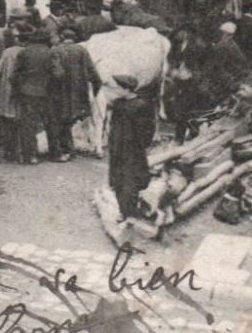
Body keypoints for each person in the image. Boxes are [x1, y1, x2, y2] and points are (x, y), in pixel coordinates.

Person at [9, 24, 62, 164]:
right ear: (46, 39)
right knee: (51, 123)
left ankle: (31, 156)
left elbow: (13, 76)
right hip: (47, 93)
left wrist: (19, 88)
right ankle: (55, 154)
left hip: (26, 93)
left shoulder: (24, 52)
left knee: (28, 125)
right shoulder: (51, 53)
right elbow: (58, 74)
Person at [106, 80, 157, 220]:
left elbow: (149, 127)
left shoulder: (141, 105)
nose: (116, 90)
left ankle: (131, 211)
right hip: (117, 148)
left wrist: (142, 144)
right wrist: (112, 142)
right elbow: (113, 125)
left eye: (119, 87)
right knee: (117, 181)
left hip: (133, 150)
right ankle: (123, 211)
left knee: (131, 181)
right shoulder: (118, 103)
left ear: (127, 89)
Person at [50, 25, 101, 162]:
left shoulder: (55, 50)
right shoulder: (82, 50)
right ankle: (69, 148)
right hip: (78, 92)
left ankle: (65, 149)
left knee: (60, 119)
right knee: (70, 120)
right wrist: (96, 88)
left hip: (60, 91)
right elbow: (92, 71)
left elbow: (54, 73)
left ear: (62, 37)